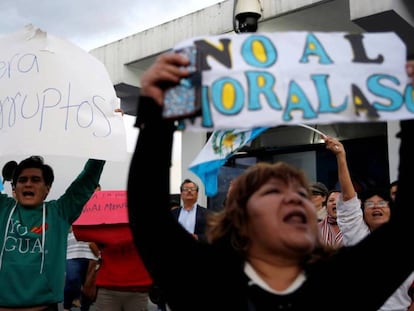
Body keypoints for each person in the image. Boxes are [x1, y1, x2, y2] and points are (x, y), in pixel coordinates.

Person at [126, 52, 414, 311]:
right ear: (241, 218)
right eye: (274, 191)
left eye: (301, 195)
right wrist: (157, 116)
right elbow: (148, 214)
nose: (294, 199)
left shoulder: (345, 282)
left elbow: (404, 234)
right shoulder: (202, 279)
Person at [0, 156, 105, 310]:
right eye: (22, 180)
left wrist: (100, 149)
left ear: (47, 188)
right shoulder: (3, 209)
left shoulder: (59, 212)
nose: (28, 183)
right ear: (14, 188)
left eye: (35, 180)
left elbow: (87, 180)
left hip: (45, 307)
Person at [324, 134, 414, 310]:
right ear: (362, 214)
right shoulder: (358, 237)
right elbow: (349, 199)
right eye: (369, 204)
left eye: (381, 203)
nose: (375, 207)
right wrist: (341, 157)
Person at [63, 226, 100, 311]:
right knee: (72, 279)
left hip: (92, 255)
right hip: (72, 253)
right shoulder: (71, 214)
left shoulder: (94, 216)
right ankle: (67, 306)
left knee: (88, 286)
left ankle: (84, 308)